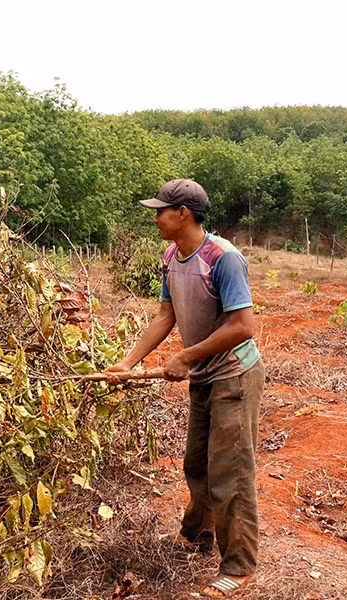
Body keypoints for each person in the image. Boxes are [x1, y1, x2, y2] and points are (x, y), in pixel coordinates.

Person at [104, 179, 264, 598]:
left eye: (161, 210)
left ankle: (239, 566)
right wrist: (127, 363)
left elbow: (243, 326)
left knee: (230, 470)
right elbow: (164, 316)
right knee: (197, 464)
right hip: (204, 377)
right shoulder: (172, 255)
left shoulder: (223, 259)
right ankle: (197, 534)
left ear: (183, 214)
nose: (155, 217)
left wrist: (187, 356)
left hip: (235, 376)